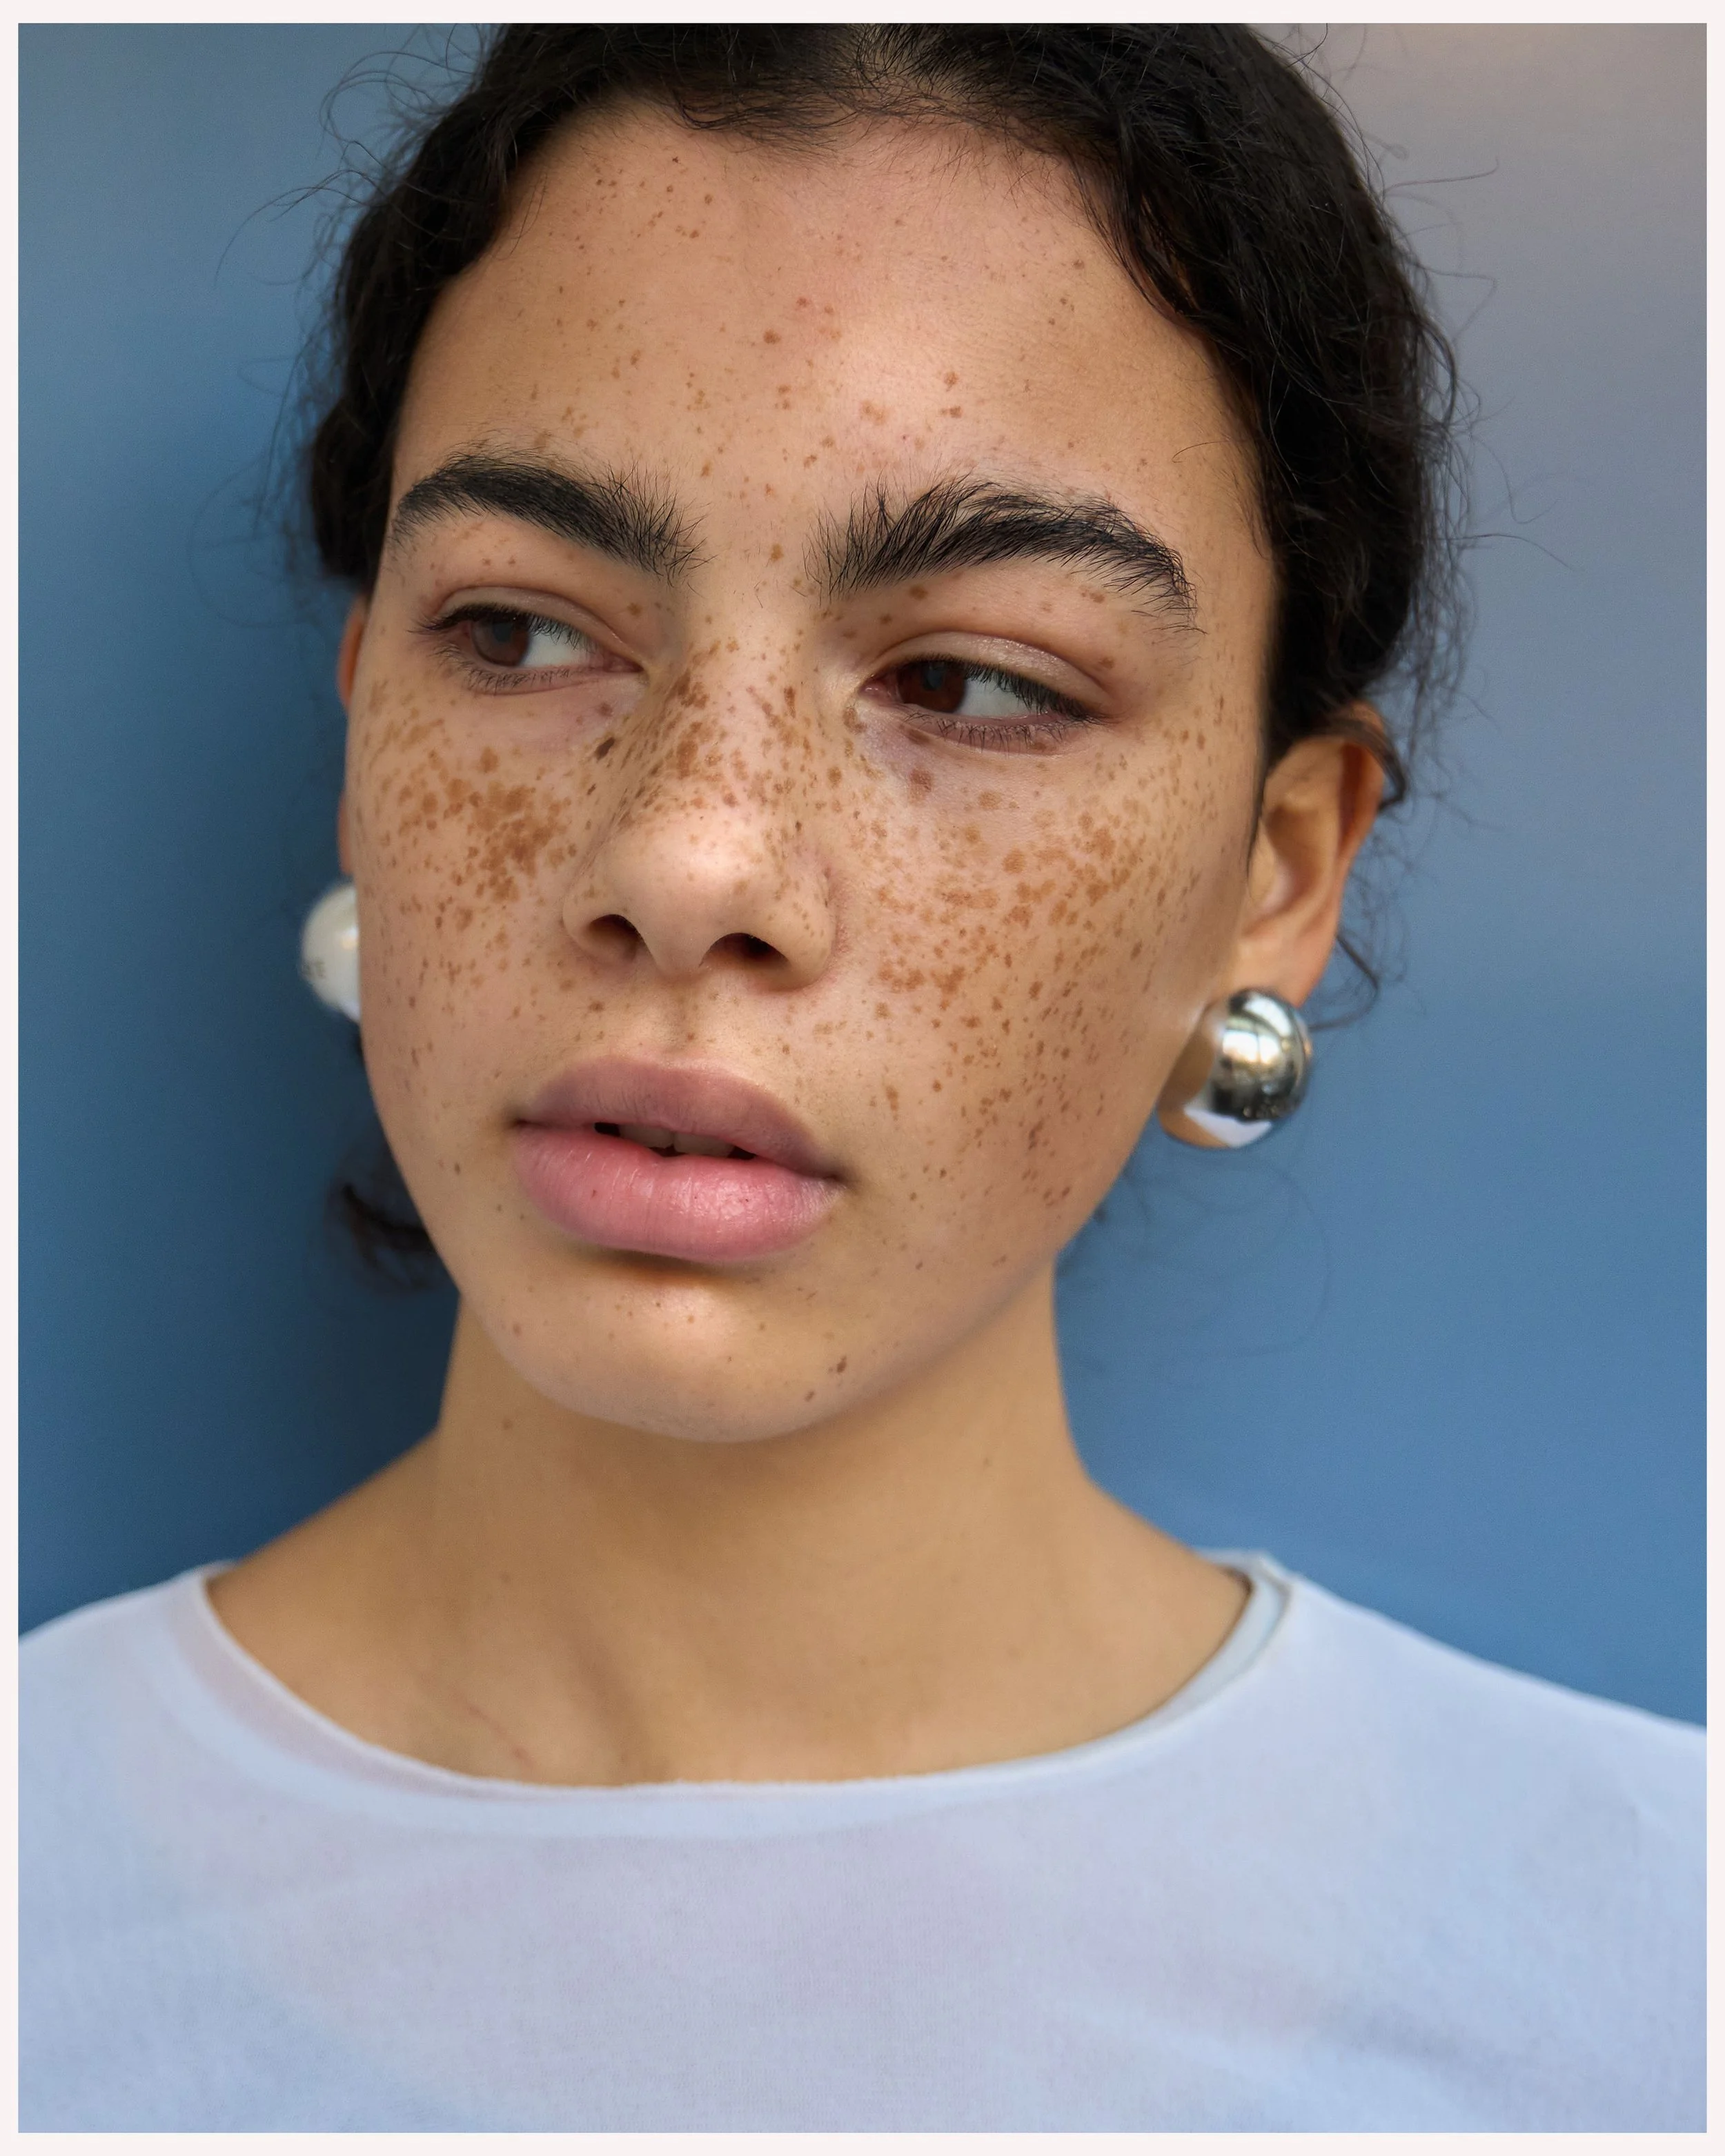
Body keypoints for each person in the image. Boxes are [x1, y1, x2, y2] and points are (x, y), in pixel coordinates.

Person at [20, 25, 1702, 2132]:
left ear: (1278, 873)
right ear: (366, 727)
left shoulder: (1647, 1981)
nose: (689, 862)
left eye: (971, 682)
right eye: (521, 635)